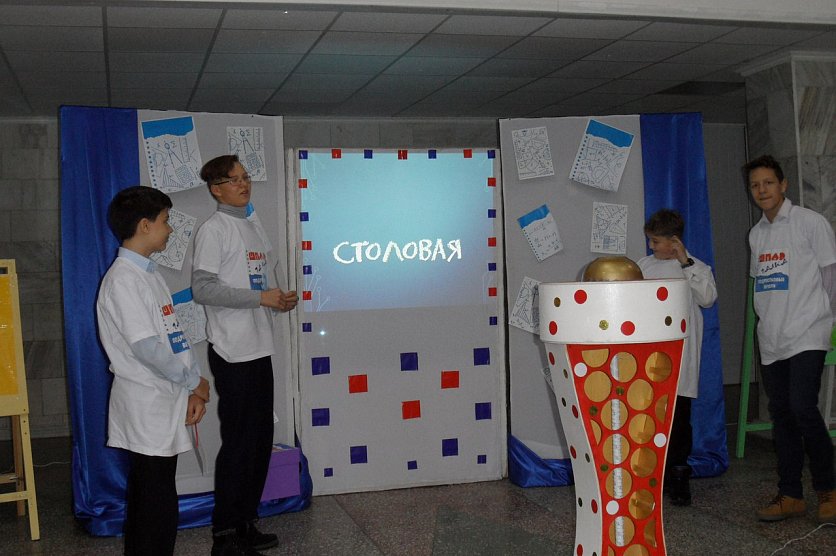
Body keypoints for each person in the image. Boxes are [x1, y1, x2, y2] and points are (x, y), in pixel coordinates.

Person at [192, 155, 298, 556]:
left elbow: (256, 286)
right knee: (238, 443)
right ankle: (225, 534)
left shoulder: (252, 226)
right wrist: (260, 298)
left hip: (259, 347)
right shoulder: (214, 230)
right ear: (216, 189)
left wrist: (276, 301)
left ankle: (246, 522)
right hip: (232, 351)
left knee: (259, 441)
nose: (244, 184)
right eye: (234, 180)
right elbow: (203, 289)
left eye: (246, 177)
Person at [96, 186, 210, 555]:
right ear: (145, 225)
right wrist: (193, 382)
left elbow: (174, 338)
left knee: (159, 498)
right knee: (151, 502)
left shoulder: (149, 274)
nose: (170, 229)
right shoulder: (123, 280)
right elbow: (147, 349)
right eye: (165, 221)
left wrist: (192, 387)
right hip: (146, 402)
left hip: (167, 397)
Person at [745, 155, 836, 524]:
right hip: (772, 338)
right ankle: (791, 495)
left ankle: (828, 490)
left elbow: (831, 276)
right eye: (755, 185)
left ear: (783, 185)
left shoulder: (810, 222)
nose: (762, 190)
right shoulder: (756, 235)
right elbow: (763, 285)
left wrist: (829, 322)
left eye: (768, 182)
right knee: (781, 416)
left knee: (803, 408)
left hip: (808, 331)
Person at [637, 209, 718, 506]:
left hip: (680, 359)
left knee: (679, 421)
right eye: (650, 240)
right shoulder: (643, 266)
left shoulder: (695, 268)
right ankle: (652, 477)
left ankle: (679, 477)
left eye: (656, 241)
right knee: (649, 419)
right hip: (649, 357)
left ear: (674, 241)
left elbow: (707, 298)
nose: (651, 246)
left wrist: (686, 263)